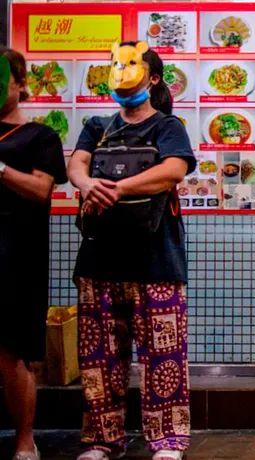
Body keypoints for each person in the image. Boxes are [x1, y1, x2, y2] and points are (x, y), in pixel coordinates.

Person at [67, 42, 194, 460]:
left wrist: (117, 188)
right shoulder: (96, 125)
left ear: (152, 78)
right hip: (99, 259)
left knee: (164, 358)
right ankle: (102, 440)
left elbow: (173, 169)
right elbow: (76, 164)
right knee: (99, 361)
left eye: (132, 66)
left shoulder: (167, 126)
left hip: (156, 261)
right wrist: (87, 185)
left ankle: (167, 440)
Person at [0, 47, 67, 460]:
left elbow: (43, 190)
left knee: (14, 353)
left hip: (16, 258)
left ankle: (26, 440)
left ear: (21, 84)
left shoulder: (40, 137)